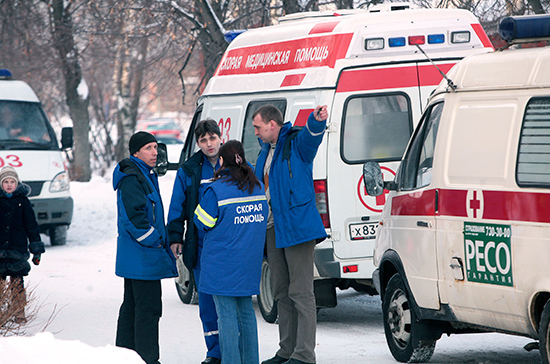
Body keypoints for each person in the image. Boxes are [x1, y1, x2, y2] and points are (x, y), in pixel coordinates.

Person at [253, 104, 329, 364]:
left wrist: (316, 121)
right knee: (281, 292)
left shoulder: (296, 143)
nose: (255, 132)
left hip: (297, 228)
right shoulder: (265, 151)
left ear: (272, 124)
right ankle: (287, 351)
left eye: (258, 127)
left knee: (301, 292)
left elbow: (311, 137)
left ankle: (305, 354)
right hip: (273, 228)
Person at [193, 140, 268, 364]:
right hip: (248, 262)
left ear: (222, 161)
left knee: (225, 316)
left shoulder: (215, 190)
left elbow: (201, 221)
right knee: (246, 313)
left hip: (222, 264)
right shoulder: (257, 187)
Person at [113, 131, 178, 364]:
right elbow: (133, 218)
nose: (155, 152)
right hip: (142, 256)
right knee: (148, 311)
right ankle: (148, 360)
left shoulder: (143, 174)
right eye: (149, 148)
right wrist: (155, 240)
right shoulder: (132, 177)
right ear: (136, 152)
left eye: (155, 147)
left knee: (132, 307)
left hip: (139, 257)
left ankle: (125, 357)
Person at [167, 119, 222, 364]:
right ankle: (214, 352)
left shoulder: (234, 163)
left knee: (231, 302)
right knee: (207, 301)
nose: (209, 144)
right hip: (200, 245)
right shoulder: (188, 170)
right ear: (198, 143)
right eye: (203, 140)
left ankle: (234, 347)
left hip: (230, 246)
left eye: (212, 138)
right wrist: (175, 236)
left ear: (221, 137)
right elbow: (177, 206)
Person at [0, 166, 44, 322]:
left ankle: (18, 311)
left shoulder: (23, 201)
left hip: (17, 249)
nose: (9, 185)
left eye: (13, 181)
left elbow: (31, 225)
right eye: (6, 182)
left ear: (17, 183)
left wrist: (36, 249)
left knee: (17, 283)